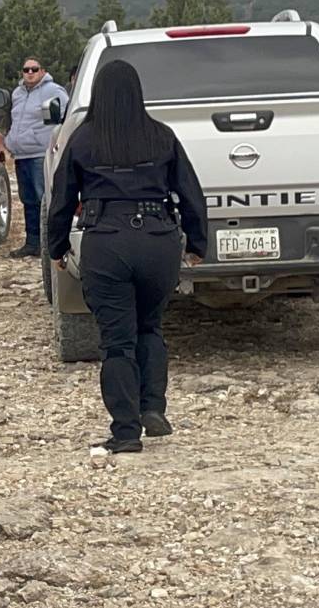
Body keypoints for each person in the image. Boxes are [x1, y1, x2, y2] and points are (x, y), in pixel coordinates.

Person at [47, 60, 207, 453]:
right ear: (137, 93)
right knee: (150, 327)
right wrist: (197, 244)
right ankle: (152, 407)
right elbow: (191, 193)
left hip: (107, 241)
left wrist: (57, 247)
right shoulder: (161, 136)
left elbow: (62, 198)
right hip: (158, 240)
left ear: (97, 94)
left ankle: (125, 432)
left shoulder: (83, 140)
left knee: (117, 341)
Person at [5, 57, 68, 259]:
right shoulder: (17, 93)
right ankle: (32, 243)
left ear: (43, 71)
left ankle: (50, 244)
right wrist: (9, 140)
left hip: (40, 154)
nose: (30, 73)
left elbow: (66, 116)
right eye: (26, 69)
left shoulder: (54, 91)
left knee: (44, 200)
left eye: (34, 69)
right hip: (21, 155)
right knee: (28, 201)